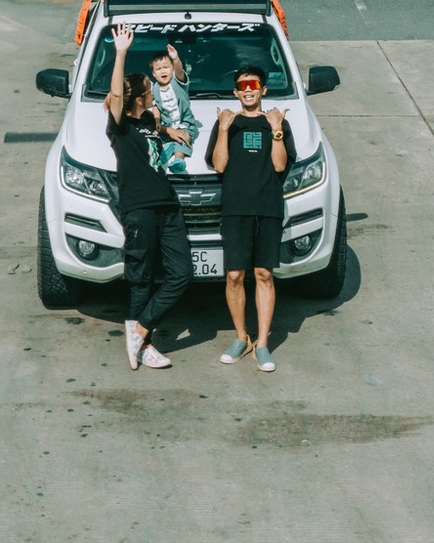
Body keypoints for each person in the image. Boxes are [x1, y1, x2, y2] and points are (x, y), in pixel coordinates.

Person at [105, 25, 190, 371]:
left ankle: (139, 330)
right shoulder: (120, 126)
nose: (154, 93)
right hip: (139, 208)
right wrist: (121, 53)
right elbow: (115, 96)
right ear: (137, 97)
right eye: (149, 92)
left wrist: (170, 130)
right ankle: (145, 344)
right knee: (141, 278)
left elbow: (157, 133)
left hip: (168, 206)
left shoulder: (148, 122)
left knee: (181, 273)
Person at [207, 65, 294, 372]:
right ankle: (241, 337)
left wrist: (277, 129)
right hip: (235, 208)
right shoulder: (226, 122)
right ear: (235, 91)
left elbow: (280, 165)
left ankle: (263, 343)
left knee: (264, 275)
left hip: (268, 208)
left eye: (254, 84)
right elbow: (219, 166)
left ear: (263, 90)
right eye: (242, 85)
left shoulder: (277, 122)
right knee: (233, 276)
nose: (248, 89)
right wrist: (224, 129)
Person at [147, 45, 197, 174]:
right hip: (166, 125)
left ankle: (178, 159)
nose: (163, 71)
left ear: (173, 69)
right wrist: (157, 120)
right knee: (158, 137)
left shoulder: (178, 82)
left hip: (184, 124)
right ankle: (164, 150)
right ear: (153, 73)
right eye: (158, 69)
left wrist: (176, 59)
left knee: (183, 139)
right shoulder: (154, 89)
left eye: (166, 67)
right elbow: (155, 106)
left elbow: (180, 71)